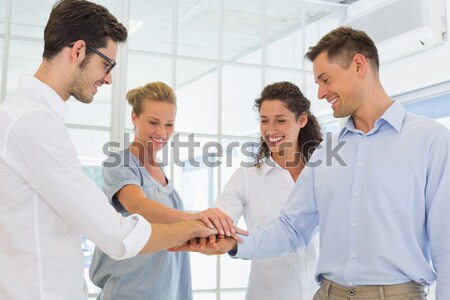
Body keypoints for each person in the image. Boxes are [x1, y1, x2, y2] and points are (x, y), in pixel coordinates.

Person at [177, 27, 450, 299]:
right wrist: (233, 244)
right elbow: (292, 228)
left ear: (358, 65)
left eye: (325, 79)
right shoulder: (327, 152)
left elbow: (445, 242)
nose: (320, 93)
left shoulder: (430, 140)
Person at [0, 1, 225, 299]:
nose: (108, 77)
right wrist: (195, 226)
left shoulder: (30, 117)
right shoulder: (32, 123)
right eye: (106, 64)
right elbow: (117, 236)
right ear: (78, 50)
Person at [89, 82, 237, 300]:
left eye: (169, 124)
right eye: (153, 122)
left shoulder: (161, 170)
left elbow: (171, 232)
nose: (162, 132)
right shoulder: (120, 163)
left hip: (169, 290)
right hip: (130, 292)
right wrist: (194, 218)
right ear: (134, 118)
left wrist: (210, 233)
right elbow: (139, 206)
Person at [212, 81, 322, 299]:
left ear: (302, 119)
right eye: (264, 121)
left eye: (280, 121)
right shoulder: (247, 178)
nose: (270, 130)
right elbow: (219, 217)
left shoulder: (323, 174)